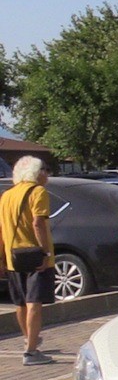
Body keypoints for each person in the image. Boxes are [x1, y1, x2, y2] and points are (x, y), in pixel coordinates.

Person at [0, 156, 56, 366]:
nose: (47, 175)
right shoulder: (38, 192)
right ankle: (31, 352)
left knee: (21, 303)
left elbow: (1, 230)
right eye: (46, 170)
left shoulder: (6, 195)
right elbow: (38, 223)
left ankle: (28, 340)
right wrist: (45, 253)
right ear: (37, 172)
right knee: (34, 303)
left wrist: (2, 258)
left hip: (13, 256)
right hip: (35, 257)